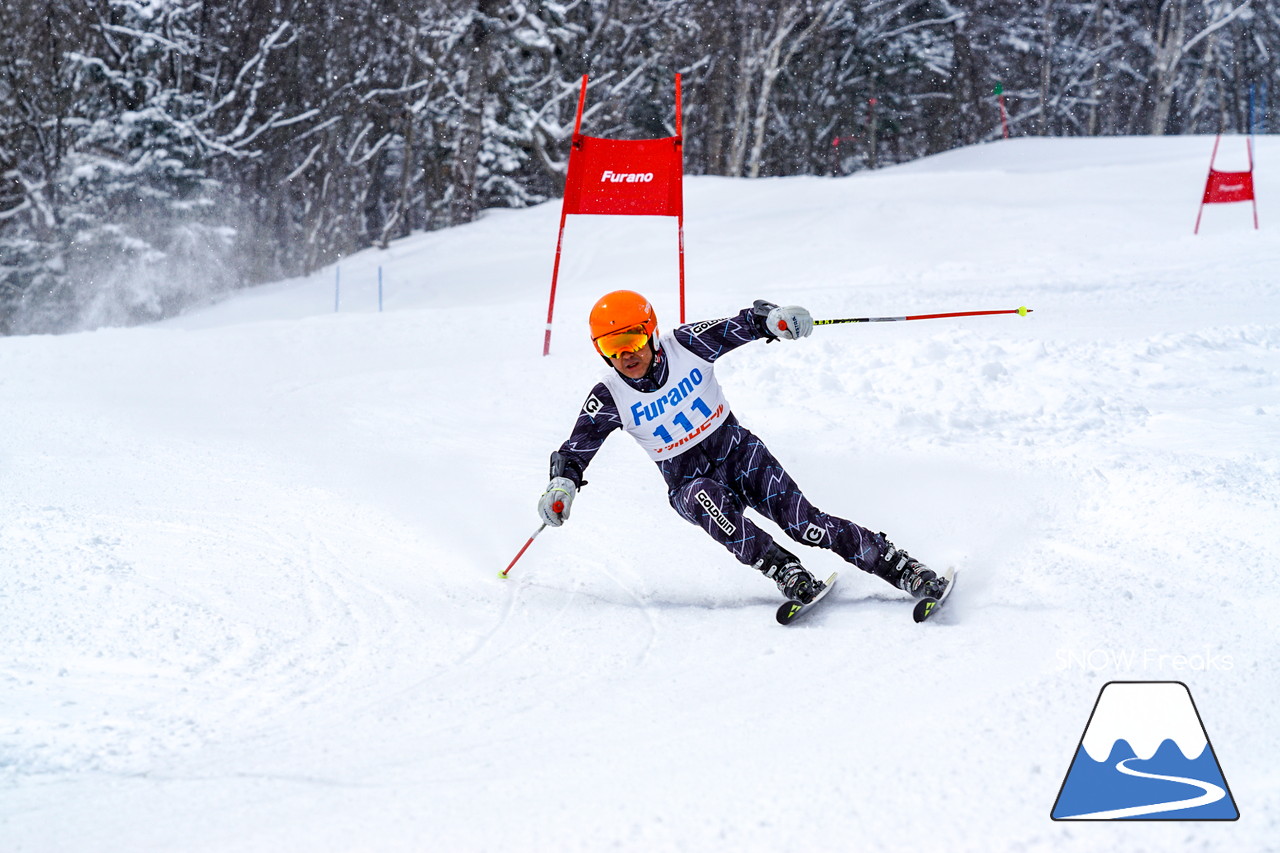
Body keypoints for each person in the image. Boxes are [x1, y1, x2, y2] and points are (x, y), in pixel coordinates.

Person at [537, 290, 948, 605]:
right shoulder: (609, 396)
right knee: (705, 498)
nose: (625, 355)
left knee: (807, 524)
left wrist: (774, 320)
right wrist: (562, 486)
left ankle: (902, 568)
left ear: (649, 331)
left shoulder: (686, 345)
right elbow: (575, 452)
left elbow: (744, 323)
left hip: (738, 453)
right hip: (687, 482)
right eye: (611, 348)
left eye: (630, 340)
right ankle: (784, 570)